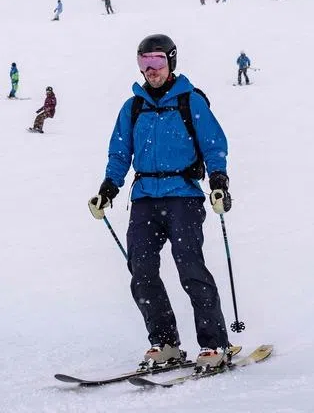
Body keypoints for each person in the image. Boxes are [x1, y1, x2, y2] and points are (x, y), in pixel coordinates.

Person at [88, 33, 233, 371]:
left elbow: (213, 144)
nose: (150, 70)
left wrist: (219, 182)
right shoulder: (133, 107)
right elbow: (120, 152)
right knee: (140, 270)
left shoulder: (190, 101)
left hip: (183, 195)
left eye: (157, 62)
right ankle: (165, 342)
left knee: (190, 267)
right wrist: (108, 188)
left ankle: (214, 344)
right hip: (144, 199)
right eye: (144, 62)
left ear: (171, 62)